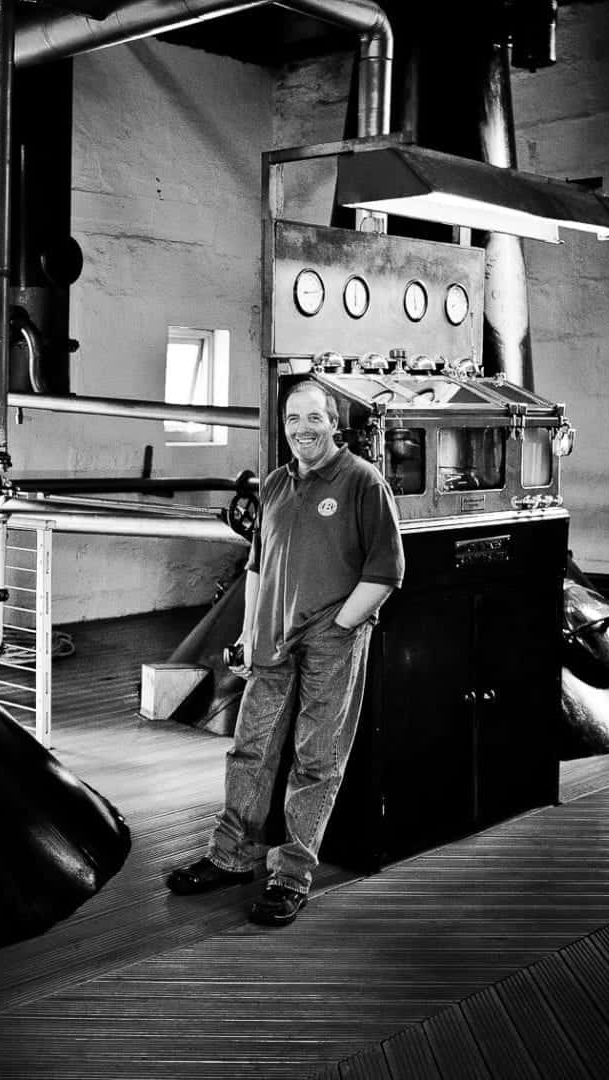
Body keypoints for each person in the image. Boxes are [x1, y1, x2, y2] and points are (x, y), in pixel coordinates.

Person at [165, 380, 405, 926]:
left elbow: (387, 571)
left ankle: (291, 875)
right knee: (250, 749)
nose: (302, 429)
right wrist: (250, 634)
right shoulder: (275, 483)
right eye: (293, 418)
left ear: (335, 422)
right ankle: (231, 857)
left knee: (316, 759)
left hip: (331, 641)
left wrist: (341, 626)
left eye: (313, 418)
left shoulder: (363, 482)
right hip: (272, 638)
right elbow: (255, 567)